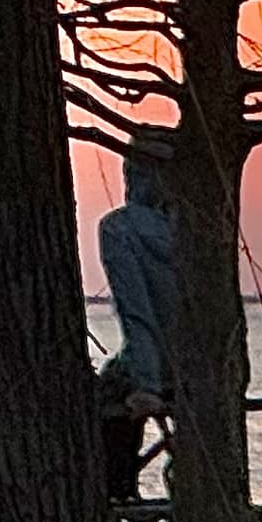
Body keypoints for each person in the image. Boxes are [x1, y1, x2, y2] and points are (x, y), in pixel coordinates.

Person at [97, 129, 181, 413]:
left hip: (155, 373)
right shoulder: (204, 231)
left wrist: (147, 386)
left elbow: (136, 312)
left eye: (132, 169)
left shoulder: (118, 229)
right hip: (204, 370)